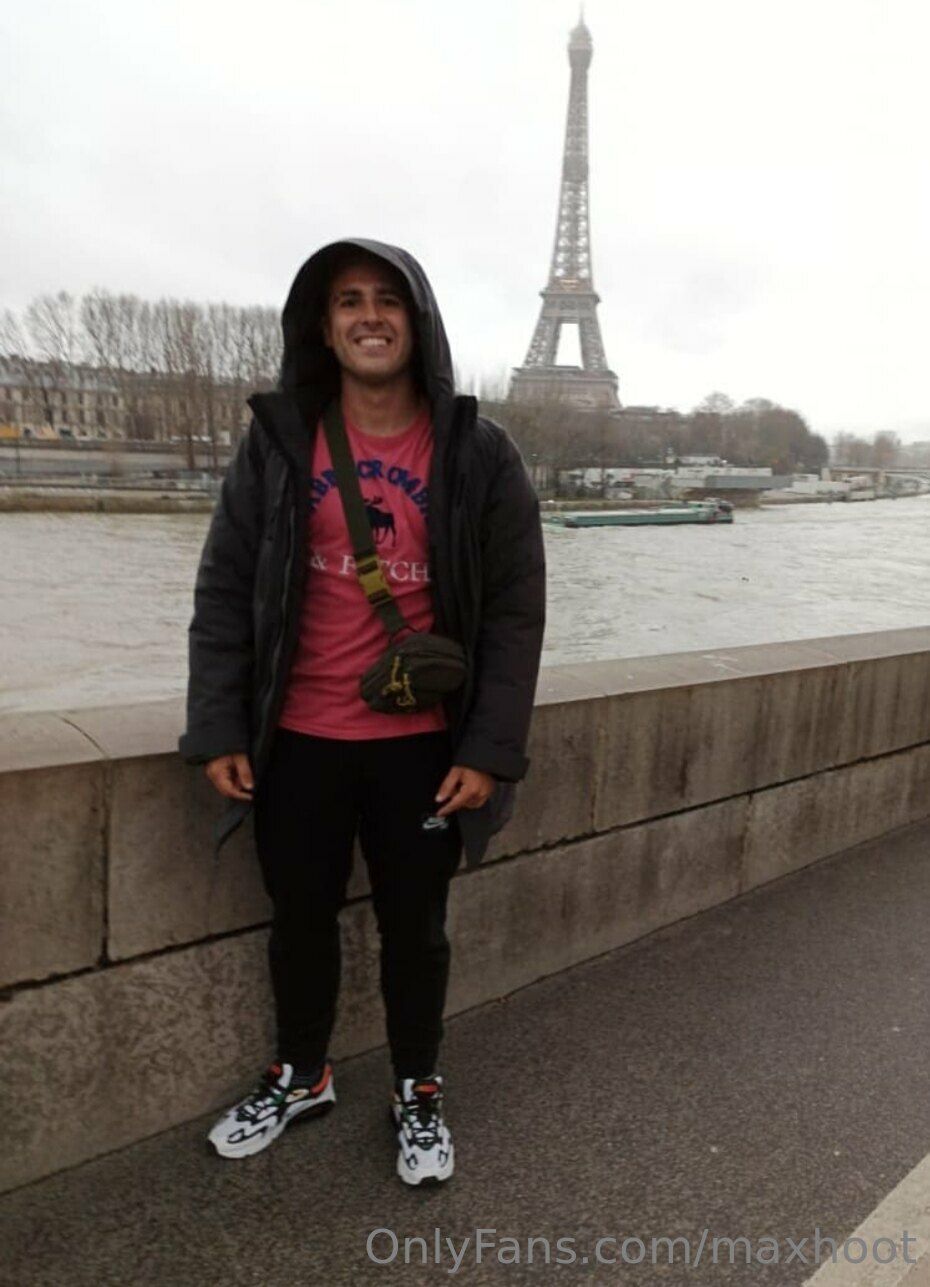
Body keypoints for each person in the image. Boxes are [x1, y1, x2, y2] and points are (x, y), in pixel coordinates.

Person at [178, 238, 546, 1185]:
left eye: (388, 299)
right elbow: (225, 588)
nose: (369, 316)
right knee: (298, 920)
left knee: (416, 929)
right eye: (348, 300)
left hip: (421, 748)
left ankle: (418, 1084)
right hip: (295, 739)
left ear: (418, 321)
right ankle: (302, 1073)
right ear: (324, 324)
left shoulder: (480, 453)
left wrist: (490, 749)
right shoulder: (278, 442)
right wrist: (217, 725)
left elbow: (515, 611)